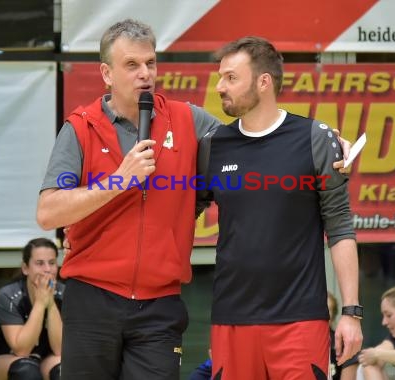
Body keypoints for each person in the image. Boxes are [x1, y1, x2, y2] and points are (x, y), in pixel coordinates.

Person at [37, 19, 351, 380]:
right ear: (106, 73)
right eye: (132, 65)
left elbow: (257, 141)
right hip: (93, 297)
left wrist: (327, 145)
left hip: (160, 305)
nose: (145, 74)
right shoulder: (80, 128)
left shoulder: (189, 120)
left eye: (150, 63)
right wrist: (119, 180)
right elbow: (48, 213)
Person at [198, 36, 363, 380]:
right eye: (219, 77)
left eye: (231, 77)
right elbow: (179, 219)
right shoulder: (213, 146)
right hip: (231, 320)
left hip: (300, 319)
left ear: (263, 81)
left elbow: (340, 227)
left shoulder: (316, 138)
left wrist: (350, 312)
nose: (219, 87)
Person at [0, 238, 62, 380]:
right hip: (4, 357)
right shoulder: (9, 295)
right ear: (26, 268)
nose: (47, 269)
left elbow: (59, 349)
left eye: (52, 263)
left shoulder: (63, 294)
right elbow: (22, 350)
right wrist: (40, 303)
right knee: (26, 370)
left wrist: (51, 303)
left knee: (64, 370)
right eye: (39, 263)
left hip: (44, 357)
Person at [328, 292, 359, 380]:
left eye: (328, 309)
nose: (323, 313)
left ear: (333, 315)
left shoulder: (343, 343)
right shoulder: (299, 341)